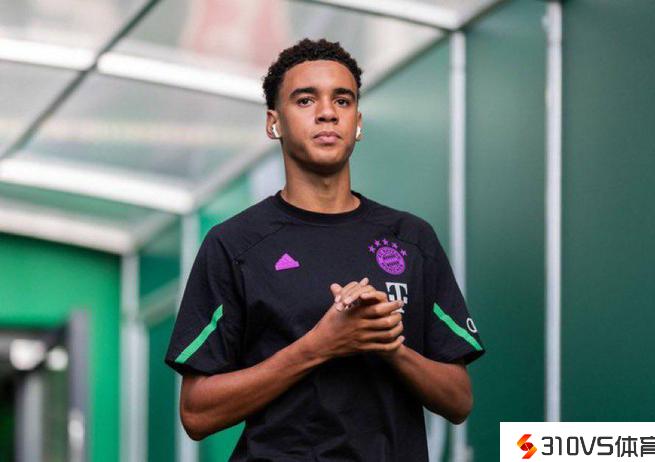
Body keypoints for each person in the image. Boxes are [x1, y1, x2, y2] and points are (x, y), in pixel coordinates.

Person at [164, 38, 486, 461]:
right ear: (273, 123)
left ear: (358, 122)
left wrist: (389, 347)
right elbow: (196, 413)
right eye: (305, 100)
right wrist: (320, 345)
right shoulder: (234, 244)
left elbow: (459, 401)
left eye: (342, 100)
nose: (327, 112)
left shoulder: (411, 239)